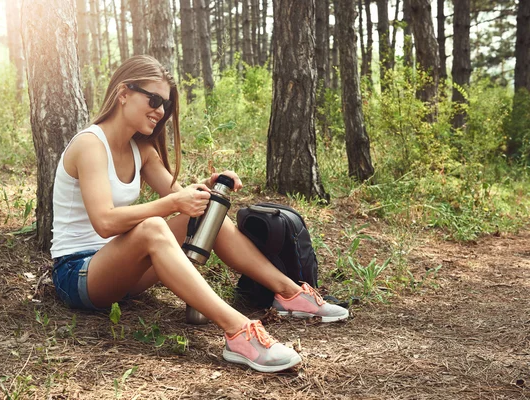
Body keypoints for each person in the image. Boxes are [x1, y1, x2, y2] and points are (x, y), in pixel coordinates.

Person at [50, 55, 348, 373]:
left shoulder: (142, 151)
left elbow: (181, 200)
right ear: (124, 93)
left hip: (121, 271)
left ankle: (289, 294)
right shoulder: (90, 145)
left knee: (206, 212)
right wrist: (173, 205)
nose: (161, 110)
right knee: (153, 227)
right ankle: (238, 331)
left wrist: (207, 189)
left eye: (165, 104)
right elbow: (105, 221)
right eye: (153, 99)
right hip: (78, 275)